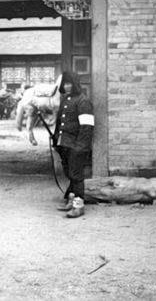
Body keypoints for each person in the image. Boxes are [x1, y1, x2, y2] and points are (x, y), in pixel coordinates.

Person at [52, 71, 94, 218]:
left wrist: (80, 147)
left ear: (75, 84)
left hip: (77, 145)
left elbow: (87, 127)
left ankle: (79, 206)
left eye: (69, 83)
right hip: (64, 143)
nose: (66, 86)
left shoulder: (83, 101)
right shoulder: (65, 99)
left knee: (76, 175)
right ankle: (71, 200)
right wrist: (56, 140)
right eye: (65, 84)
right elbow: (59, 123)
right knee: (70, 173)